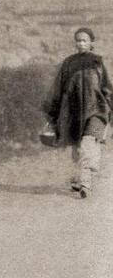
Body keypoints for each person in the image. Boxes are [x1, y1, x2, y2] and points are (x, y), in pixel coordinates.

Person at [43, 27, 113, 198]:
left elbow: (106, 88)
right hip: (74, 112)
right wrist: (53, 113)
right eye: (78, 40)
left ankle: (85, 183)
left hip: (97, 110)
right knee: (78, 148)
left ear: (91, 43)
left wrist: (111, 108)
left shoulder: (97, 62)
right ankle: (78, 178)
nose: (81, 43)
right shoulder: (68, 63)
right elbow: (58, 89)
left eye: (85, 40)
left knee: (89, 144)